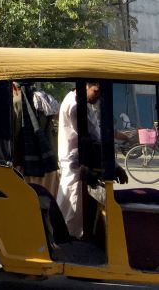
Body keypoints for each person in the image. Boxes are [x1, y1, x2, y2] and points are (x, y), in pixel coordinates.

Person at [56, 81, 127, 238]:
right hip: (78, 169)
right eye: (96, 91)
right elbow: (94, 141)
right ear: (86, 86)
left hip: (79, 167)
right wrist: (114, 166)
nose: (98, 95)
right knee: (73, 217)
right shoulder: (75, 107)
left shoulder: (80, 102)